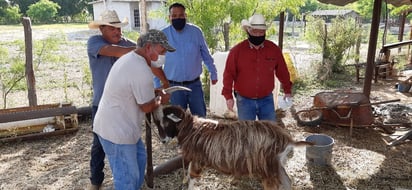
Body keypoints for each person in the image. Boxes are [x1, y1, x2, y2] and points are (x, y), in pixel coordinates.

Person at [87, 10, 169, 190]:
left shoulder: (135, 55)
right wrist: (159, 99)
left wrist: (163, 83)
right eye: (161, 51)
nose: (117, 32)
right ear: (102, 29)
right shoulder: (98, 43)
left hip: (123, 115)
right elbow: (146, 106)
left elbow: (149, 64)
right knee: (125, 176)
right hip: (113, 121)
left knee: (139, 163)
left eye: (119, 28)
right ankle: (96, 182)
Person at [222, 14, 292, 121]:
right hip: (244, 100)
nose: (258, 35)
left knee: (269, 132)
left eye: (261, 32)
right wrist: (228, 96)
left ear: (265, 32)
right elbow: (228, 74)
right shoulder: (237, 51)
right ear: (248, 31)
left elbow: (282, 71)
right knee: (246, 134)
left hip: (266, 100)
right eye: (255, 31)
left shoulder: (274, 49)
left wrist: (287, 90)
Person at [155, 2, 218, 117]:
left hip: (195, 86)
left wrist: (213, 72)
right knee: (177, 122)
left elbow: (205, 54)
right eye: (174, 16)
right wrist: (157, 84)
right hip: (173, 87)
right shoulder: (162, 35)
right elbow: (156, 62)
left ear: (185, 16)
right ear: (169, 17)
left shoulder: (196, 32)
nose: (177, 18)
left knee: (201, 121)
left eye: (180, 15)